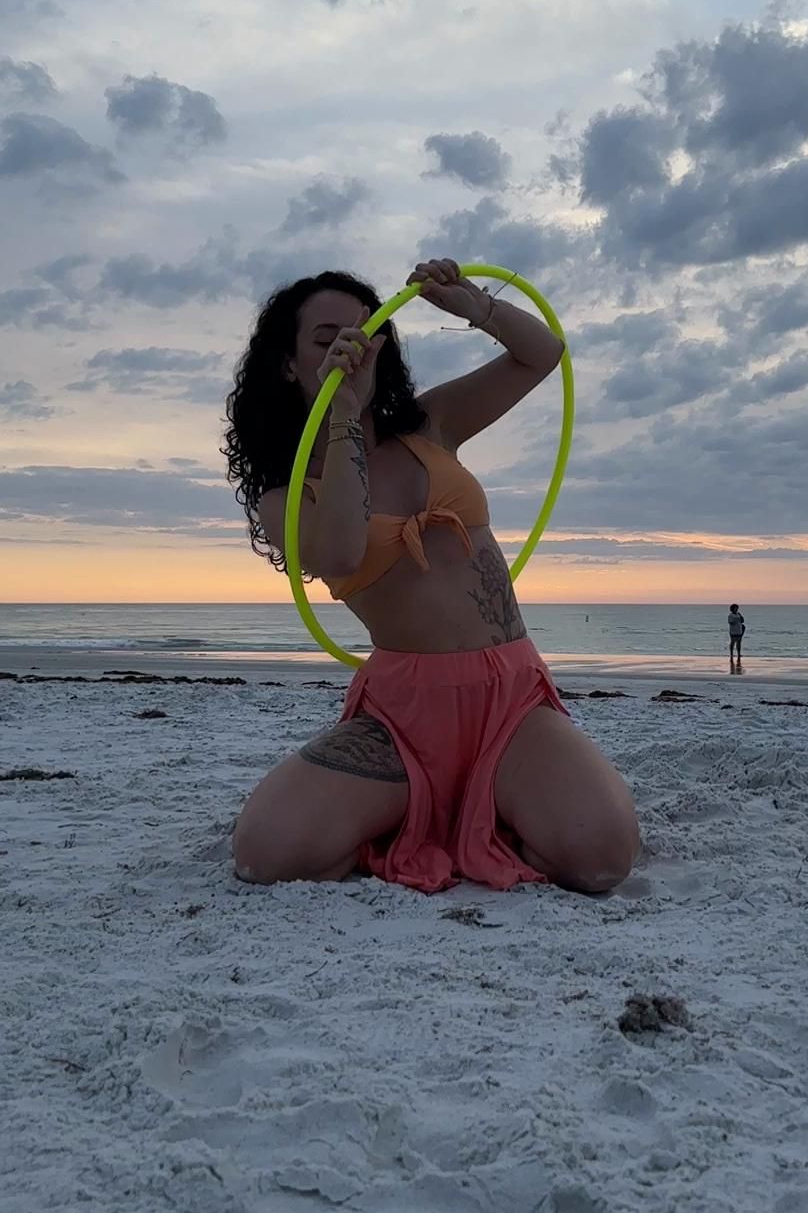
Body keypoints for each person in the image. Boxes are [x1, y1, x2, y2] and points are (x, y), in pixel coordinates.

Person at [223, 257, 640, 896]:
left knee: (603, 855)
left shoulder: (428, 425)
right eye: (327, 336)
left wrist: (477, 309)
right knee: (263, 850)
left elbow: (542, 354)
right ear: (288, 364)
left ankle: (485, 807)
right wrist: (343, 416)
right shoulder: (284, 495)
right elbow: (337, 552)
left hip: (510, 696)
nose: (355, 345)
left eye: (367, 330)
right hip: (402, 716)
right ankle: (428, 813)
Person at [728, 603, 746, 669]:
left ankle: (738, 654)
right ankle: (731, 654)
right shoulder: (730, 615)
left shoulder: (738, 614)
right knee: (732, 642)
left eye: (737, 608)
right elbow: (730, 622)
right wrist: (736, 620)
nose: (736, 609)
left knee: (739, 642)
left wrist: (741, 617)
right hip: (733, 631)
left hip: (739, 630)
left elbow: (742, 621)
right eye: (735, 608)